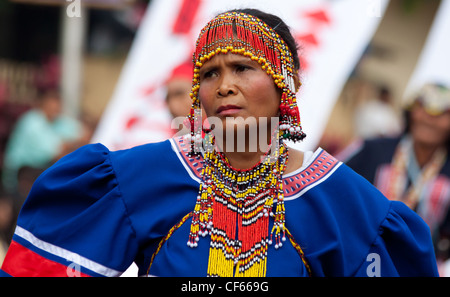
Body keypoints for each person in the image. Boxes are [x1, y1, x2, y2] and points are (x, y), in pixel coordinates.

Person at [0, 9, 438, 277]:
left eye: (243, 68)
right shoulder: (143, 177)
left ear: (288, 82)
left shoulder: (345, 203)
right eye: (210, 73)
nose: (225, 86)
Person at [344, 83, 450, 269]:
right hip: (356, 256)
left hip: (417, 266)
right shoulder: (373, 149)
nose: (429, 118)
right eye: (423, 107)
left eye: (441, 113)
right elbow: (335, 187)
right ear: (410, 111)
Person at [1, 87, 83, 193]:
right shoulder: (31, 122)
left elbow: (83, 135)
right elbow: (57, 153)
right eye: (52, 104)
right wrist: (73, 145)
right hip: (21, 179)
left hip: (38, 174)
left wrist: (71, 145)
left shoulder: (57, 120)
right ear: (43, 104)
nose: (56, 108)